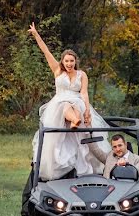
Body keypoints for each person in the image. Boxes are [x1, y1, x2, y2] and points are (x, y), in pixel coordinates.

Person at [27, 23, 111, 181]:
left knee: (76, 105)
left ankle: (76, 119)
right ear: (62, 61)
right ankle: (74, 120)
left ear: (75, 61)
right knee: (65, 104)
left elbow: (84, 93)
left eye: (71, 61)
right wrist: (36, 34)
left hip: (77, 101)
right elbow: (45, 51)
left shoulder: (82, 74)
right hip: (60, 104)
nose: (69, 64)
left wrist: (87, 110)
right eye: (66, 61)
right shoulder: (57, 71)